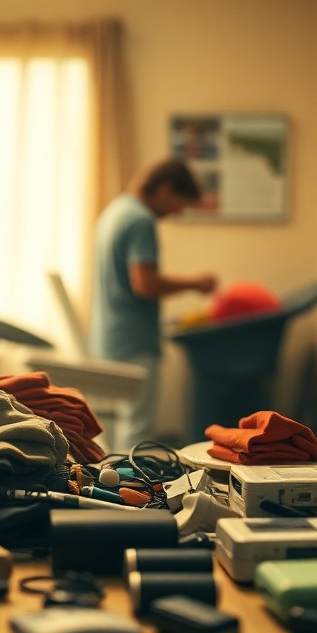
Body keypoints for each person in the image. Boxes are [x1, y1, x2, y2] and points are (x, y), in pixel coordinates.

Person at [89, 158, 218, 449]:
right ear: (165, 188)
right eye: (179, 203)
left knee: (110, 432)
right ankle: (131, 492)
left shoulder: (115, 210)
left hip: (108, 338)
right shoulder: (140, 219)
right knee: (136, 433)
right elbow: (144, 284)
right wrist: (195, 283)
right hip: (134, 342)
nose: (177, 212)